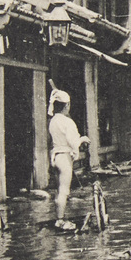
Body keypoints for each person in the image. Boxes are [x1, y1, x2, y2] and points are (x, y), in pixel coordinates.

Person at [48, 88, 90, 231]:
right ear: (66, 106)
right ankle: (60, 220)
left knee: (59, 190)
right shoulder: (68, 122)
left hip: (55, 157)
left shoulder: (53, 121)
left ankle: (59, 217)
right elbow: (73, 142)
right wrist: (83, 139)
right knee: (64, 190)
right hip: (64, 157)